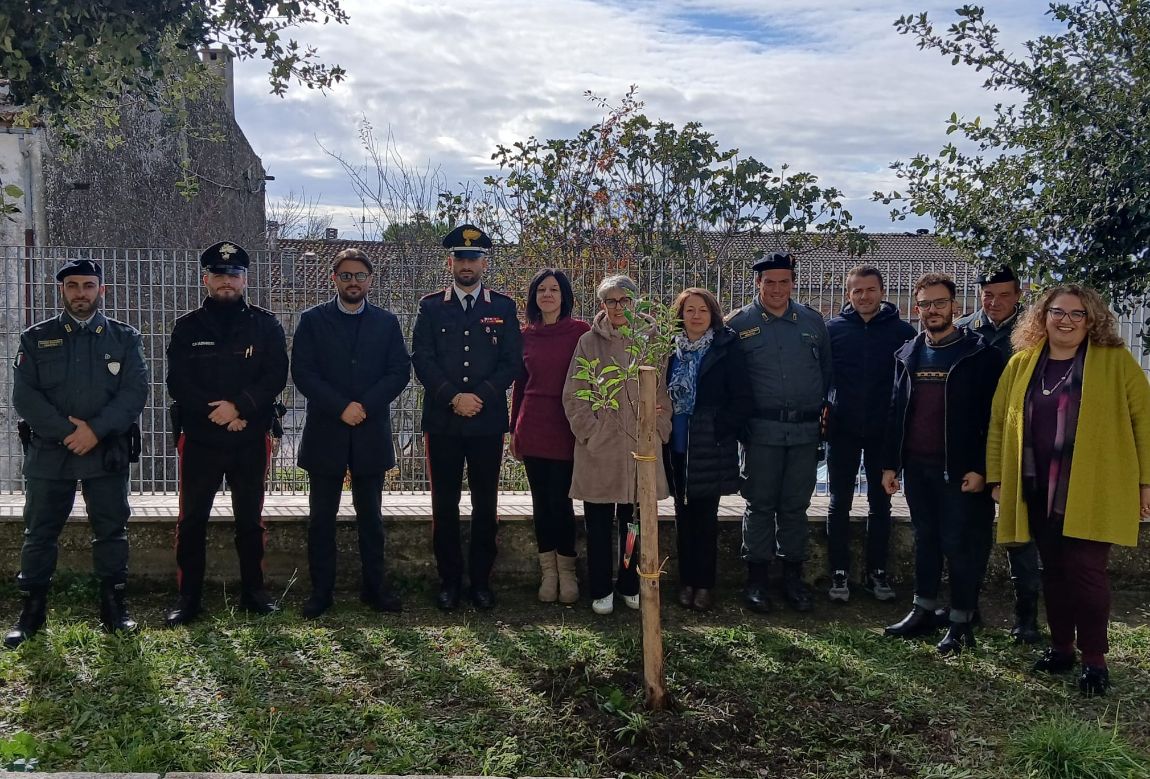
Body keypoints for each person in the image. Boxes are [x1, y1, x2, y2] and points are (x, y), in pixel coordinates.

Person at [986, 283, 1150, 695]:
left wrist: (1146, 482)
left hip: (1094, 487)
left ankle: (1094, 660)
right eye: (1058, 312)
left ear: (1091, 320)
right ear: (1042, 317)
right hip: (1036, 486)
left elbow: (1144, 422)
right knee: (1054, 571)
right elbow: (999, 423)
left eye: (1078, 313)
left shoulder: (1115, 361)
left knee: (1087, 572)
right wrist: (997, 477)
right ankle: (1062, 648)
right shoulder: (1022, 363)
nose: (1067, 320)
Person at [5, 260, 148, 648]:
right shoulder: (36, 338)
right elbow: (25, 397)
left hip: (106, 451)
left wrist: (95, 431)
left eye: (88, 285)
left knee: (111, 530)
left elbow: (135, 392)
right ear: (62, 290)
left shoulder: (124, 338)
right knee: (39, 533)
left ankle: (114, 609)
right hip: (51, 452)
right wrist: (70, 433)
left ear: (102, 290)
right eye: (72, 285)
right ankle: (32, 613)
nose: (80, 293)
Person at [164, 241, 289, 627]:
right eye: (218, 274)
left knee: (250, 520)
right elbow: (178, 382)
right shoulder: (187, 327)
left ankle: (254, 592)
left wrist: (238, 408)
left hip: (249, 436)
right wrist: (217, 414)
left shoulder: (266, 325)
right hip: (201, 438)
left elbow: (274, 377)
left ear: (245, 279)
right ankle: (189, 598)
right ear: (206, 279)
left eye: (234, 275)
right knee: (192, 521)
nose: (226, 281)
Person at [881, 272, 1004, 655]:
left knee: (961, 544)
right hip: (918, 468)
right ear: (916, 309)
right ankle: (923, 609)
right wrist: (890, 465)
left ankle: (961, 621)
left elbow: (995, 419)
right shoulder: (907, 354)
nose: (932, 310)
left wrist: (982, 468)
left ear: (955, 306)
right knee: (926, 540)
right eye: (925, 304)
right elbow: (895, 411)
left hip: (962, 471)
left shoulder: (981, 355)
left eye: (939, 302)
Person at [291, 248, 411, 618]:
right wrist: (341, 406)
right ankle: (321, 593)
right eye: (346, 275)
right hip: (326, 430)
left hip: (370, 431)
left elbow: (398, 372)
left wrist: (365, 406)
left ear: (370, 280)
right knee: (321, 519)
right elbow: (304, 372)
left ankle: (374, 590)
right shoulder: (312, 320)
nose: (353, 282)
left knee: (371, 519)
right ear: (334, 279)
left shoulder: (386, 322)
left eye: (360, 275)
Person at [411, 224, 523, 611]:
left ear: (484, 264)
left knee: (485, 505)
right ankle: (449, 582)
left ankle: (480, 582)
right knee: (444, 505)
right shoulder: (431, 306)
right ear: (450, 263)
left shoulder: (502, 307)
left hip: (486, 421)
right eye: (460, 258)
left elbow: (511, 362)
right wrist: (453, 397)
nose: (467, 265)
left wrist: (479, 397)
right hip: (443, 421)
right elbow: (422, 359)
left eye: (474, 259)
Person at [727, 252, 832, 613]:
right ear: (758, 283)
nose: (776, 289)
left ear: (792, 283)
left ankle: (792, 579)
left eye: (783, 282)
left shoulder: (812, 321)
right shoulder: (738, 324)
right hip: (760, 430)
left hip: (804, 431)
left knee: (795, 506)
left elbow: (827, 373)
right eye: (769, 282)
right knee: (759, 504)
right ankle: (756, 580)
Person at [563, 275, 672, 615]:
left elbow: (664, 392)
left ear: (636, 302)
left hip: (641, 448)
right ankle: (600, 588)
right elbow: (574, 395)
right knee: (597, 525)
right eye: (611, 301)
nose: (618, 307)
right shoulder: (588, 342)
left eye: (625, 300)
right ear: (602, 305)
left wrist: (659, 429)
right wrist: (592, 433)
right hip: (600, 451)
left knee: (633, 523)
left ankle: (629, 584)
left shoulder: (653, 341)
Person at [956, 264, 1042, 644]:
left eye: (1004, 295)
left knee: (1021, 535)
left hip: (1018, 442)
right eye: (988, 295)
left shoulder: (1034, 333)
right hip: (974, 443)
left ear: (1018, 295)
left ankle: (1026, 617)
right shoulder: (964, 330)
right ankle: (966, 608)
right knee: (970, 533)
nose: (995, 302)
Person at [824, 265, 915, 604]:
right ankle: (838, 571)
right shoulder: (832, 330)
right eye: (857, 291)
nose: (864, 296)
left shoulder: (903, 332)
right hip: (842, 429)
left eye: (870, 290)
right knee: (838, 504)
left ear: (882, 291)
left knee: (880, 504)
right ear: (849, 294)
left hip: (884, 431)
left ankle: (878, 571)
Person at [663, 287, 753, 611]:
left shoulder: (725, 347)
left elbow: (742, 397)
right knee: (682, 515)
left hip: (710, 442)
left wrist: (718, 428)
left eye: (702, 310)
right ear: (680, 315)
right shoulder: (668, 349)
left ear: (712, 314)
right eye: (689, 310)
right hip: (676, 441)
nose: (696, 316)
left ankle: (704, 585)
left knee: (705, 517)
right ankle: (685, 582)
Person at [509, 268, 590, 604]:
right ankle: (549, 572)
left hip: (567, 426)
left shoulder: (581, 333)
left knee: (562, 502)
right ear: (533, 297)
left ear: (564, 296)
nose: (547, 295)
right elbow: (519, 386)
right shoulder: (525, 335)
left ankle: (568, 571)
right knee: (541, 503)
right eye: (541, 289)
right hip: (533, 426)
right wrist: (513, 430)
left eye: (554, 289)